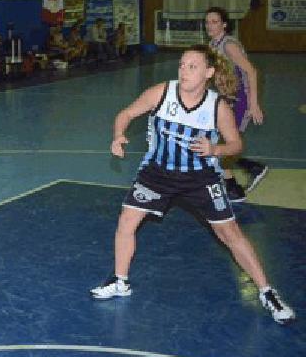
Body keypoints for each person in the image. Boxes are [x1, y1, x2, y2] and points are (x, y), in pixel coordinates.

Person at [89, 45, 295, 325]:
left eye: (192, 66)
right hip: (157, 173)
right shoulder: (161, 92)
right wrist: (118, 136)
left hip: (201, 177)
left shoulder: (216, 107)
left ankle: (267, 292)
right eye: (182, 65)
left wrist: (214, 150)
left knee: (230, 234)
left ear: (208, 73)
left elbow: (236, 143)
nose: (184, 71)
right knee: (127, 220)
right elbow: (124, 115)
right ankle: (120, 280)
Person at [205, 6, 267, 203]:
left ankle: (235, 189)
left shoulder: (229, 45)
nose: (210, 25)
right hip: (227, 100)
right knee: (218, 144)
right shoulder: (212, 45)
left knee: (224, 145)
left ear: (224, 24)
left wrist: (254, 104)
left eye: (215, 22)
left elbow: (252, 72)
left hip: (240, 101)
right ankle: (251, 169)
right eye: (207, 22)